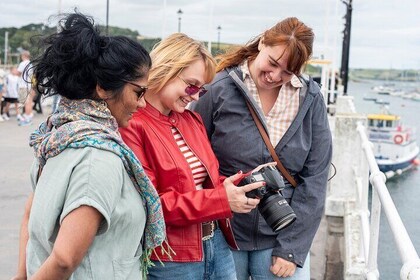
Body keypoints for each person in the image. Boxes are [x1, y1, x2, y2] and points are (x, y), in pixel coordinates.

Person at [11, 12, 165, 280]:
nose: (142, 103)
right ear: (104, 88)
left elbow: (29, 215)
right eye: (139, 92)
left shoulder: (57, 135)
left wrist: (22, 275)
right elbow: (64, 259)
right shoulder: (99, 156)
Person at [191, 17, 333, 279]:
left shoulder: (310, 99)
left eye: (288, 72)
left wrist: (292, 248)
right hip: (224, 232)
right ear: (263, 42)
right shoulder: (218, 89)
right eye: (273, 63)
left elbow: (315, 178)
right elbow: (193, 156)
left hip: (282, 234)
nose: (275, 76)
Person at [119, 33, 265, 280]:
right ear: (166, 69)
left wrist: (243, 184)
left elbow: (206, 181)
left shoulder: (191, 119)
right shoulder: (132, 124)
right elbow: (152, 204)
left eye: (202, 89)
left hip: (216, 243)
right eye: (192, 85)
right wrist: (222, 200)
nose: (196, 96)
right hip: (171, 256)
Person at [16, 50, 35, 125]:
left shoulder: (23, 63)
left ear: (23, 56)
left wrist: (14, 72)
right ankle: (29, 118)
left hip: (23, 85)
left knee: (26, 102)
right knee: (29, 102)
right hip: (29, 85)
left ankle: (27, 119)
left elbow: (18, 73)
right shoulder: (30, 64)